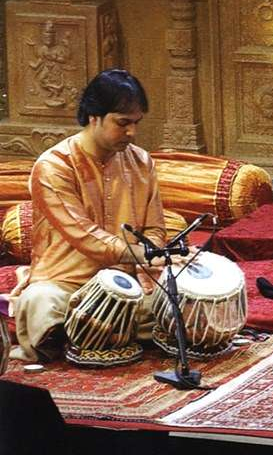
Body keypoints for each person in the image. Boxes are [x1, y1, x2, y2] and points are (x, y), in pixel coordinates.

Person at [8, 69, 166, 362]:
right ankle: (102, 332)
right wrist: (144, 253)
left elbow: (155, 227)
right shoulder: (54, 166)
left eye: (136, 123)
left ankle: (88, 334)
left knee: (178, 298)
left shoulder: (141, 162)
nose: (132, 132)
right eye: (123, 123)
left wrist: (155, 253)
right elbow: (84, 235)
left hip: (126, 283)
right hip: (66, 284)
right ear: (94, 117)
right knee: (40, 302)